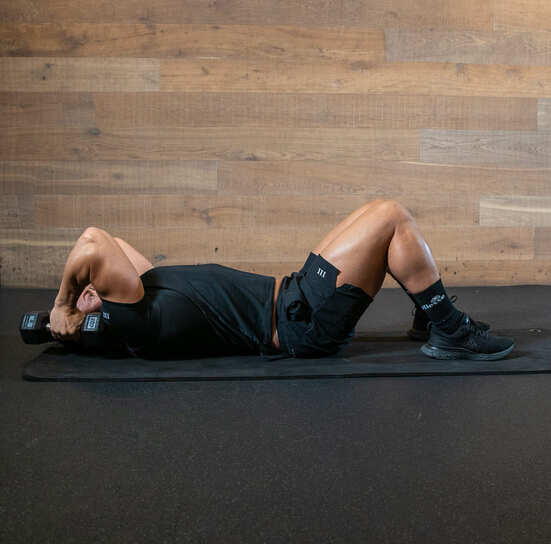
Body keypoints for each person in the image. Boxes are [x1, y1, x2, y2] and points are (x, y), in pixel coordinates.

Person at [49, 199, 515, 361]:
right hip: (300, 322)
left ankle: (425, 321)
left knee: (380, 214)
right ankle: (450, 330)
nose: (91, 290)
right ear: (107, 314)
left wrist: (81, 299)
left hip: (294, 297)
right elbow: (92, 242)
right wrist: (63, 304)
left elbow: (112, 242)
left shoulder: (147, 293)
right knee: (391, 216)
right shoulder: (136, 319)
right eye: (91, 298)